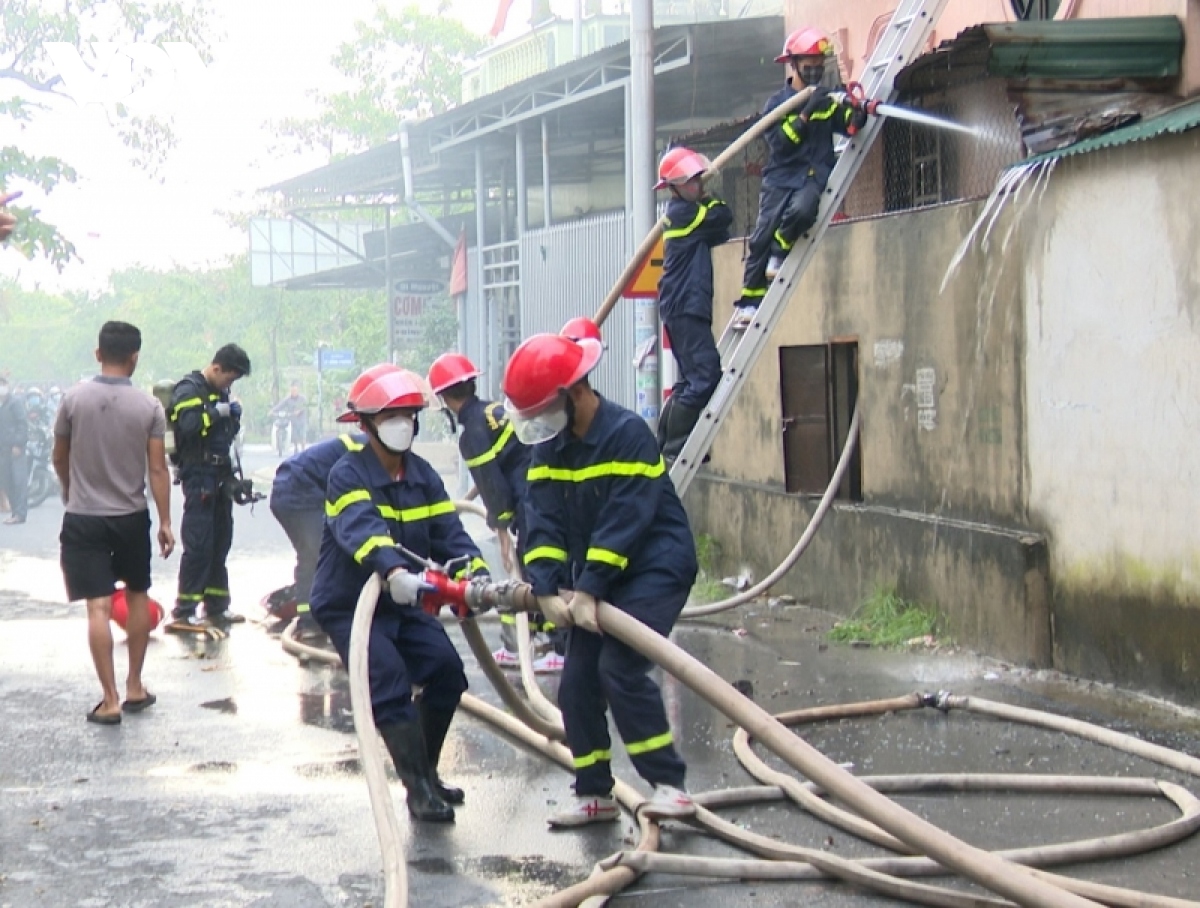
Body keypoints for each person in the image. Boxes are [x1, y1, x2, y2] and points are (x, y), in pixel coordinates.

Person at [502, 333, 699, 828]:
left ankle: (670, 786)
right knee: (576, 683)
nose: (539, 423)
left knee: (619, 668)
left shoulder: (627, 435)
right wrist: (545, 587)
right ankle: (595, 794)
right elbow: (540, 520)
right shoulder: (550, 446)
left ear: (575, 393)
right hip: (597, 579)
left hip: (654, 567)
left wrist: (589, 587)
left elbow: (625, 520)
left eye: (544, 409)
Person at [309, 365, 489, 823]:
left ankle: (426, 772)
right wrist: (392, 570)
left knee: (447, 672)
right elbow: (363, 532)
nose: (402, 423)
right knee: (387, 682)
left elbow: (449, 531)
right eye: (391, 416)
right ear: (366, 424)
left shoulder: (422, 475)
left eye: (409, 414)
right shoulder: (347, 475)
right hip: (354, 604)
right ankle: (417, 789)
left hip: (406, 598)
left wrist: (478, 576)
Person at [52, 321, 175, 724]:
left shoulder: (73, 400)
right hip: (131, 517)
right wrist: (165, 521)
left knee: (98, 608)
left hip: (84, 517)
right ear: (135, 357)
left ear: (98, 354)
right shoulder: (149, 407)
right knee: (137, 594)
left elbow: (60, 456)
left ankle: (109, 699)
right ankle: (136, 685)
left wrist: (70, 489)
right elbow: (158, 470)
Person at [427, 353, 564, 673]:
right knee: (542, 561)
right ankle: (529, 641)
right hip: (546, 489)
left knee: (532, 565)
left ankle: (555, 642)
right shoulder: (493, 410)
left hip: (529, 498)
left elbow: (493, 486)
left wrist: (502, 534)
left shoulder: (472, 433)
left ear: (445, 398)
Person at [732, 27, 867, 328]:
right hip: (781, 178)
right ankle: (750, 303)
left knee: (804, 210)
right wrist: (805, 115)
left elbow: (846, 125)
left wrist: (856, 117)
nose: (816, 70)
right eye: (809, 64)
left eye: (820, 64)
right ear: (793, 64)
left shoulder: (827, 99)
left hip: (812, 177)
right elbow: (780, 143)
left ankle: (781, 250)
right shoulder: (777, 105)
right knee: (761, 238)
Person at [165, 343, 251, 633]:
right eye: (229, 377)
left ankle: (216, 607)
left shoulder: (219, 393)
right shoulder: (188, 390)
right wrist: (218, 412)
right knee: (199, 543)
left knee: (220, 542)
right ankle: (184, 610)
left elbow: (226, 433)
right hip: (198, 474)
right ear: (216, 368)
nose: (230, 383)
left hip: (220, 473)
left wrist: (232, 414)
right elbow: (189, 426)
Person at [654, 147, 733, 458]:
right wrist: (710, 199)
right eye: (690, 183)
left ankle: (664, 442)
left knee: (691, 379)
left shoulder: (686, 215)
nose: (697, 186)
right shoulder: (683, 213)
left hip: (685, 304)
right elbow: (722, 215)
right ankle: (676, 445)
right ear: (673, 187)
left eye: (698, 180)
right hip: (685, 304)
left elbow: (719, 231)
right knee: (705, 376)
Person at [0, 376, 29, 525]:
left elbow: (22, 425)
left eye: (2, 384)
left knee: (18, 482)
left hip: (15, 449)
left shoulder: (14, 402)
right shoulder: (2, 404)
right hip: (3, 450)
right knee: (6, 481)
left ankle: (20, 514)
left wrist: (18, 444)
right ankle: (14, 513)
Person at [270, 382, 308, 453]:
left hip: (301, 420)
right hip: (293, 420)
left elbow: (305, 406)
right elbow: (280, 405)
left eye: (295, 391)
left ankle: (303, 450)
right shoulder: (288, 399)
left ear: (298, 391)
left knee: (302, 436)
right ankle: (296, 447)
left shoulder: (302, 398)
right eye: (292, 391)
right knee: (294, 436)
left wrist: (299, 410)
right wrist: (272, 411)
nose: (293, 392)